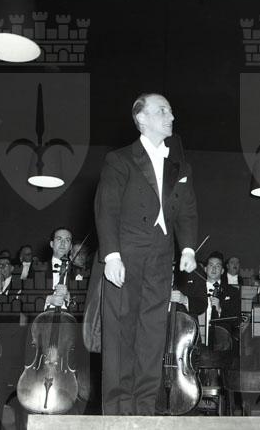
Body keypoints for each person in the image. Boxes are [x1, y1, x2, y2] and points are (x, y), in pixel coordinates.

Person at [94, 93, 198, 415]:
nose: (171, 116)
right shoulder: (119, 159)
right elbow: (106, 208)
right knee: (120, 336)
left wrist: (188, 248)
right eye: (162, 110)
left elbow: (187, 210)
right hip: (125, 257)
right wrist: (112, 256)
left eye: (171, 110)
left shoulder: (179, 165)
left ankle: (144, 412)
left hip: (161, 259)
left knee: (153, 336)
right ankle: (117, 413)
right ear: (141, 118)